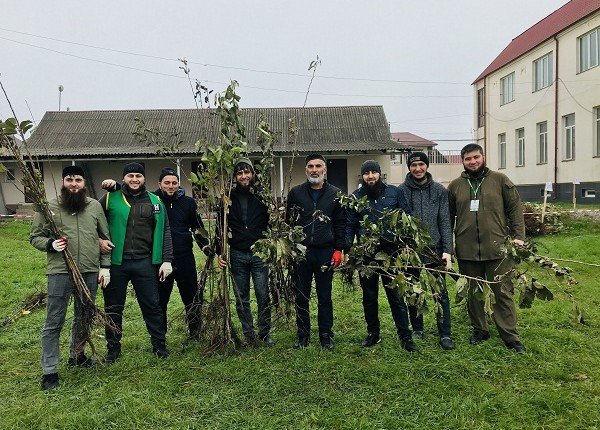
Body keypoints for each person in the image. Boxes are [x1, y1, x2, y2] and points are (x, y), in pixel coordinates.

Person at [101, 167, 210, 340]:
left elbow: (197, 227)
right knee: (160, 300)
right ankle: (161, 334)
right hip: (159, 258)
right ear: (159, 184)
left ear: (179, 184)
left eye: (174, 183)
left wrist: (205, 246)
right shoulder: (153, 200)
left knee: (191, 295)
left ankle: (195, 332)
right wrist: (117, 186)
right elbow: (132, 193)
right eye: (167, 183)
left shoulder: (188, 203)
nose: (171, 186)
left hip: (184, 257)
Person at [30, 166, 111, 390]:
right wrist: (50, 244)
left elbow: (105, 238)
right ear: (63, 182)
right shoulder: (48, 207)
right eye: (69, 180)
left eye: (77, 180)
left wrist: (105, 267)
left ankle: (77, 355)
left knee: (84, 315)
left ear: (84, 183)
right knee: (54, 320)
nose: (73, 184)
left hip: (88, 269)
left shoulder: (94, 206)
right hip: (60, 271)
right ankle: (49, 371)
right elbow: (35, 236)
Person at [448, 144, 526, 353]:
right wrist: (449, 246)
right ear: (462, 161)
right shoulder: (455, 186)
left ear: (483, 157)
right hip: (466, 249)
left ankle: (510, 336)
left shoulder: (500, 180)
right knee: (473, 293)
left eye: (476, 157)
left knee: (503, 292)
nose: (473, 162)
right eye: (468, 159)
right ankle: (479, 330)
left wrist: (518, 238)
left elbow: (515, 209)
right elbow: (446, 218)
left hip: (498, 248)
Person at [99, 162, 173, 362]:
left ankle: (159, 345)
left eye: (138, 176)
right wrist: (99, 242)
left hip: (145, 262)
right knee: (113, 307)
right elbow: (93, 223)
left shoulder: (155, 201)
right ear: (123, 178)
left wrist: (167, 259)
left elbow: (165, 232)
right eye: (130, 176)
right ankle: (113, 348)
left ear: (144, 179)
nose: (134, 179)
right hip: (116, 264)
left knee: (152, 305)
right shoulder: (109, 198)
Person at [346, 160, 417, 352]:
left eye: (373, 172)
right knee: (369, 297)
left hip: (391, 254)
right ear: (362, 176)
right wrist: (347, 250)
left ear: (380, 174)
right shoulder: (355, 198)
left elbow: (406, 218)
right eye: (366, 173)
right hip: (366, 255)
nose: (370, 176)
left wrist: (407, 243)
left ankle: (405, 336)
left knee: (395, 296)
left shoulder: (395, 193)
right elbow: (351, 225)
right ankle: (373, 334)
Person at [286, 153, 346, 350]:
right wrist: (289, 247)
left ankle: (326, 335)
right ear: (306, 170)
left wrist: (338, 249)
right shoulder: (296, 193)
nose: (314, 170)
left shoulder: (336, 194)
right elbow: (289, 222)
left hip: (324, 253)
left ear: (324, 169)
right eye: (310, 166)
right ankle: (303, 335)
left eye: (318, 166)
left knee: (324, 296)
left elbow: (340, 224)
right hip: (302, 253)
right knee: (301, 295)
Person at [399, 152, 455, 350]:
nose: (417, 169)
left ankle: (445, 333)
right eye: (413, 165)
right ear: (409, 168)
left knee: (440, 292)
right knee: (413, 291)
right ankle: (417, 327)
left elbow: (445, 222)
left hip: (435, 250)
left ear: (427, 166)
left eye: (421, 164)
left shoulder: (439, 191)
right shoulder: (402, 191)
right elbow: (400, 223)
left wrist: (447, 250)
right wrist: (403, 245)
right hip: (411, 252)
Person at [216, 158, 273, 346]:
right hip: (238, 253)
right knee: (241, 298)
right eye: (240, 173)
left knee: (263, 294)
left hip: (259, 253)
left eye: (247, 172)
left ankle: (264, 333)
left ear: (253, 174)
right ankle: (249, 334)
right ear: (235, 176)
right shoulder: (227, 199)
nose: (244, 176)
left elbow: (272, 223)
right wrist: (219, 252)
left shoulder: (262, 196)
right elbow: (219, 228)